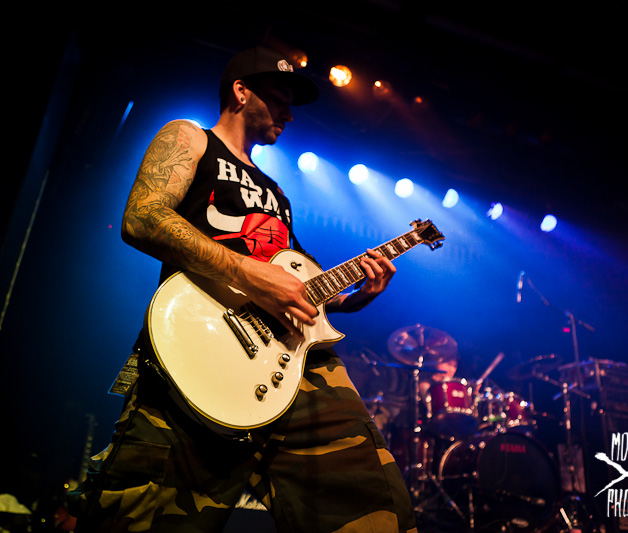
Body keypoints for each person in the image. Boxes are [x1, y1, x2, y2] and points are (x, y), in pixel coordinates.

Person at [68, 45, 418, 533]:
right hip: (200, 350)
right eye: (279, 100)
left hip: (295, 362)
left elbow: (296, 280)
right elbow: (142, 217)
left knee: (373, 507)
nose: (289, 115)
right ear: (241, 92)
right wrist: (250, 274)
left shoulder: (277, 192)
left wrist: (351, 298)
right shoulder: (190, 138)